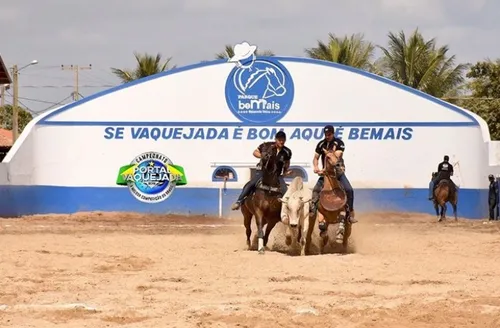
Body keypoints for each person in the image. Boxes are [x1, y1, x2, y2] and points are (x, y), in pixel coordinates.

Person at [231, 131, 292, 210]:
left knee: (284, 189)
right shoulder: (266, 145)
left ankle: (287, 209)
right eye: (279, 139)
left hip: (276, 175)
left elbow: (287, 161)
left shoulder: (287, 152)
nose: (281, 141)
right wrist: (262, 156)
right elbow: (255, 152)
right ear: (276, 139)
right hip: (263, 171)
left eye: (283, 140)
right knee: (251, 183)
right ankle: (239, 201)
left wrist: (286, 170)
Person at [310, 125, 357, 229]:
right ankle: (313, 209)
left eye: (329, 134)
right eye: (326, 134)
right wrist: (316, 167)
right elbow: (316, 158)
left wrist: (330, 154)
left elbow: (337, 155)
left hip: (338, 173)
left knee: (349, 190)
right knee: (315, 190)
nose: (327, 136)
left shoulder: (339, 143)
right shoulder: (321, 144)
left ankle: (349, 214)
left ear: (333, 133)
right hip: (325, 174)